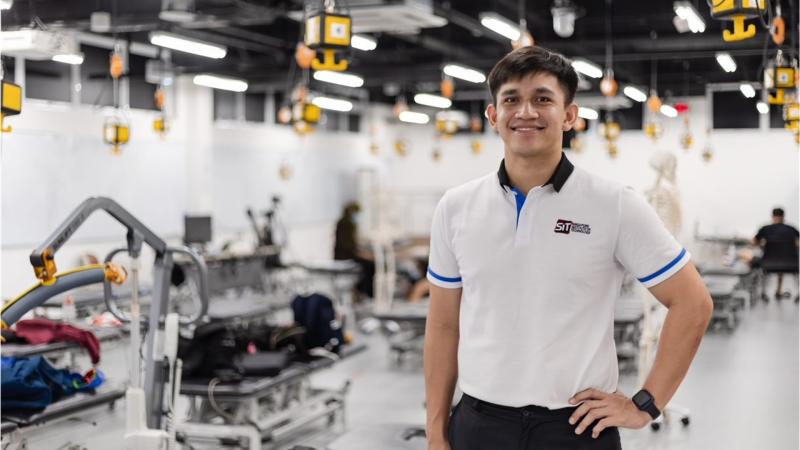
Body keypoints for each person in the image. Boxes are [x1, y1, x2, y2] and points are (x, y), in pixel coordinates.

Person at [423, 46, 713, 450]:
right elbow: (443, 325)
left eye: (543, 99)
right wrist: (435, 431)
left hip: (576, 428)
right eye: (511, 100)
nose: (526, 112)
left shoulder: (614, 204)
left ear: (570, 116)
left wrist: (646, 405)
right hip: (479, 424)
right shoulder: (456, 207)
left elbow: (693, 302)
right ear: (493, 116)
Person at [752, 207, 799, 301]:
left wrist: (762, 245)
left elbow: (754, 242)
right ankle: (778, 290)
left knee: (753, 259)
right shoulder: (792, 229)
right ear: (783, 217)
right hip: (791, 264)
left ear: (772, 217)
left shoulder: (765, 229)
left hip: (768, 264)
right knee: (781, 261)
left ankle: (761, 292)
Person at [334, 202, 375, 299]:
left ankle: (363, 292)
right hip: (345, 257)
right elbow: (348, 247)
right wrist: (364, 255)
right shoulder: (345, 224)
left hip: (348, 255)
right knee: (369, 265)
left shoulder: (349, 224)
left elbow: (352, 245)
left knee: (370, 263)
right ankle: (366, 292)